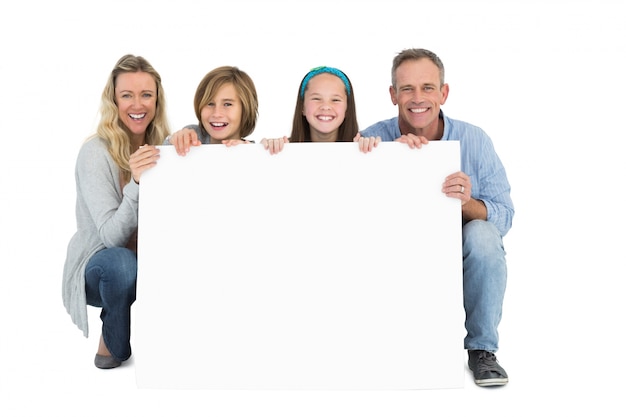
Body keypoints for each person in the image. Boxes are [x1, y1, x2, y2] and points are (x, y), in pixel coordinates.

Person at [360, 48, 514, 387]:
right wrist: (388, 164)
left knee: (484, 236)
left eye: (428, 88)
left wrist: (466, 202)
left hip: (454, 250)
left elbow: (503, 217)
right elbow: (353, 217)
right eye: (407, 89)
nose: (418, 98)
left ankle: (481, 350)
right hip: (396, 249)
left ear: (443, 93)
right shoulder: (373, 137)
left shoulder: (475, 139)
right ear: (392, 95)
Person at [62, 54, 171, 369]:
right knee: (121, 263)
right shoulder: (95, 153)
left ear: (157, 100)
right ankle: (113, 343)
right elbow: (111, 237)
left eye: (146, 94)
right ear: (114, 100)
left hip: (149, 259)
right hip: (100, 267)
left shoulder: (162, 146)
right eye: (127, 95)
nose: (137, 104)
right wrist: (136, 182)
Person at [260, 66, 379, 154]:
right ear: (302, 107)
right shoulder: (284, 150)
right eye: (316, 98)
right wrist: (263, 153)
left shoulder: (361, 148)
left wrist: (374, 151)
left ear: (347, 108)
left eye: (335, 100)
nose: (325, 106)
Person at [162, 66, 259, 155]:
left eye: (227, 104)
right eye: (210, 103)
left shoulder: (256, 151)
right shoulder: (193, 137)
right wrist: (173, 142)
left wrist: (266, 152)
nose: (216, 114)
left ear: (245, 109)